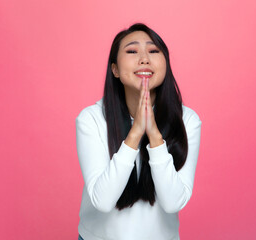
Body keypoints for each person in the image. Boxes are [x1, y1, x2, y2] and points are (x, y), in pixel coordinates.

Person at [75, 23, 202, 240]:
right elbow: (102, 201)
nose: (144, 58)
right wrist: (135, 133)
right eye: (132, 51)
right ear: (114, 69)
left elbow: (173, 203)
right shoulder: (91, 119)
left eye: (153, 51)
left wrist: (154, 136)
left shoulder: (187, 120)